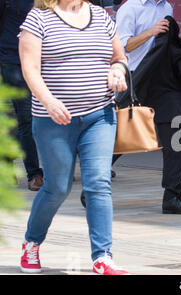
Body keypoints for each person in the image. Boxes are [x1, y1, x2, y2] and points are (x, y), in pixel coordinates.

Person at [18, 0, 129, 274]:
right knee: (57, 187)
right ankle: (32, 242)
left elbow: (119, 57)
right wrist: (48, 102)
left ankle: (102, 256)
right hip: (54, 120)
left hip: (99, 115)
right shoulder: (38, 18)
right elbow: (29, 68)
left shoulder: (101, 17)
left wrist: (117, 71)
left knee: (98, 184)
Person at [115, 0, 181, 215]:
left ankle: (172, 196)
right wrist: (151, 32)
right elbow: (122, 46)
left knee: (174, 137)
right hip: (138, 78)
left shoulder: (167, 8)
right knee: (124, 137)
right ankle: (93, 186)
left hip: (164, 80)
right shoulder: (130, 8)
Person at [0, 0, 43, 191]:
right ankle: (33, 173)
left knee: (27, 118)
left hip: (43, 61)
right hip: (13, 62)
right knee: (24, 118)